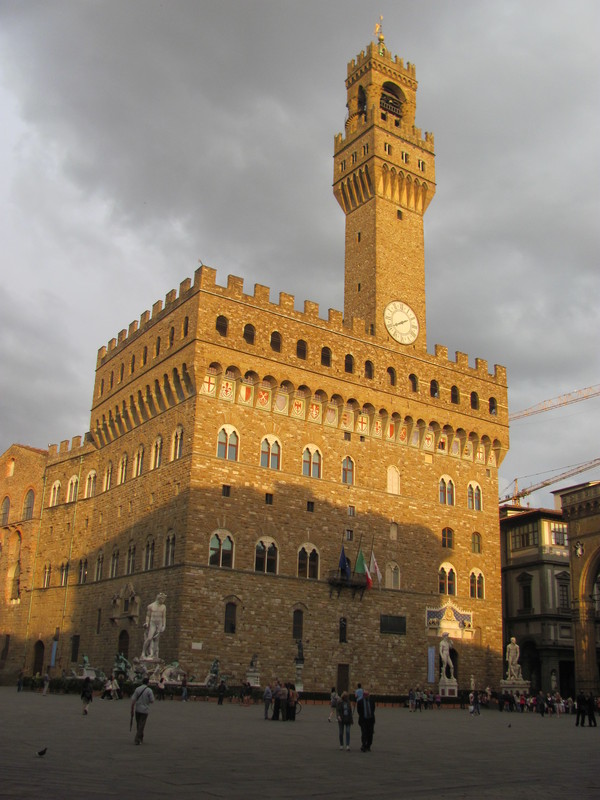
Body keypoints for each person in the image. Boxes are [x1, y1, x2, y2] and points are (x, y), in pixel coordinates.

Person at [142, 593, 167, 659]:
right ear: (159, 598)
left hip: (160, 623)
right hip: (153, 623)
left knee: (156, 639)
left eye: (164, 599)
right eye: (163, 599)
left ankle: (154, 654)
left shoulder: (163, 607)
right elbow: (148, 615)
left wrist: (164, 625)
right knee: (149, 638)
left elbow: (164, 617)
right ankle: (143, 652)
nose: (163, 600)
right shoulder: (151, 606)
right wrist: (147, 623)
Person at [131, 676, 154, 745]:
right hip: (145, 710)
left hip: (137, 709)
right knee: (142, 725)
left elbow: (133, 700)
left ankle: (141, 737)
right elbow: (152, 701)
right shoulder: (149, 690)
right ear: (148, 683)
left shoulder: (137, 689)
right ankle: (137, 739)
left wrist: (132, 709)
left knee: (139, 724)